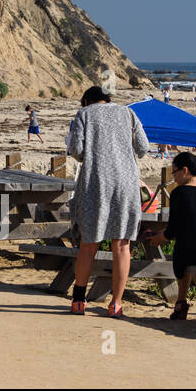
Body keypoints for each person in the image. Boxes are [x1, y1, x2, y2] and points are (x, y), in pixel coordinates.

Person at [65, 85, 150, 318]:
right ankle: (116, 303)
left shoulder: (84, 114)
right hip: (126, 184)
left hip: (95, 183)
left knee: (89, 244)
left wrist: (90, 154)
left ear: (87, 101)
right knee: (122, 245)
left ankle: (79, 301)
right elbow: (143, 148)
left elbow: (76, 149)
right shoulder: (129, 113)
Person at [146, 152, 196, 320]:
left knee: (183, 250)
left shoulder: (179, 193)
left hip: (192, 251)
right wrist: (166, 234)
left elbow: (174, 228)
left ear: (184, 170)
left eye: (174, 172)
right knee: (190, 246)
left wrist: (161, 236)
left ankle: (182, 301)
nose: (173, 177)